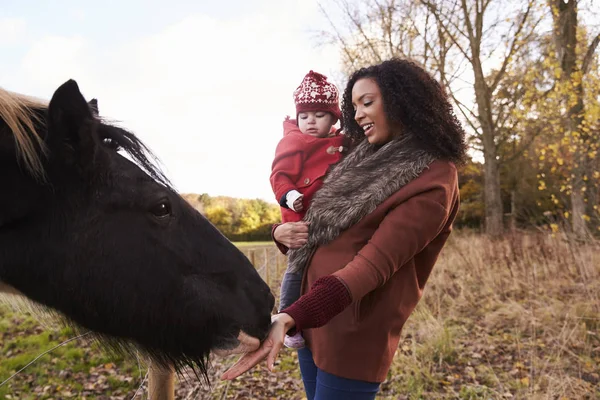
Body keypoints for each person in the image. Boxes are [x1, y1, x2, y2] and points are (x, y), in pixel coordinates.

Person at [223, 58, 467, 400]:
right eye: (353, 106)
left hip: (352, 334)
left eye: (367, 103)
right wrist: (281, 232)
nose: (358, 115)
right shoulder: (361, 158)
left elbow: (370, 267)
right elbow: (325, 226)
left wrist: (291, 316)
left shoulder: (433, 177)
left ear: (403, 101)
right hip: (310, 321)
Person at [270, 70, 346, 349]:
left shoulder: (343, 143)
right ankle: (286, 317)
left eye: (319, 115)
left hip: (331, 219)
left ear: (334, 119)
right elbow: (279, 176)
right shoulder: (293, 141)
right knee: (297, 266)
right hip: (300, 217)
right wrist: (290, 196)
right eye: (304, 116)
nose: (310, 121)